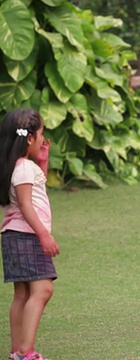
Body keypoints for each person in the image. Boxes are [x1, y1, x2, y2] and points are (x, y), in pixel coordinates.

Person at [0, 109, 60, 360]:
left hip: (14, 236)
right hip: (27, 236)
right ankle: (26, 351)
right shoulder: (23, 168)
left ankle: (17, 351)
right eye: (41, 133)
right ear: (29, 138)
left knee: (23, 294)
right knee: (43, 289)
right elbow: (26, 204)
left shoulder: (20, 166)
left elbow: (35, 191)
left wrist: (43, 163)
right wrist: (44, 235)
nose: (43, 138)